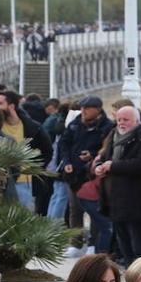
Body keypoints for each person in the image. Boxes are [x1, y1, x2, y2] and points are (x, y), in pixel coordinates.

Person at [94, 104, 141, 265]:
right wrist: (99, 167)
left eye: (126, 120)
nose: (122, 123)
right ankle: (132, 277)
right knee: (125, 247)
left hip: (136, 201)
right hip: (115, 202)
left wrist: (113, 166)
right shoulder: (113, 135)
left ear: (137, 120)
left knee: (140, 248)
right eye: (119, 119)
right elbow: (104, 157)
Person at [55, 97, 113, 256]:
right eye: (82, 108)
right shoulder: (75, 123)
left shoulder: (107, 126)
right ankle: (76, 243)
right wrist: (66, 161)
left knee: (95, 210)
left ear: (98, 109)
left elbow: (107, 149)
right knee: (75, 209)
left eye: (87, 108)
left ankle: (93, 243)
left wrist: (92, 155)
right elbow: (64, 143)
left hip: (92, 176)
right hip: (73, 174)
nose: (83, 111)